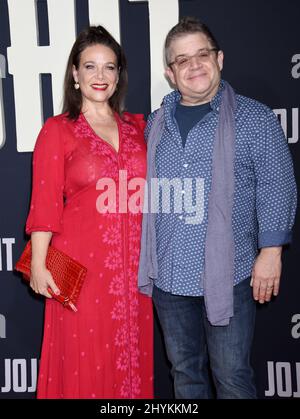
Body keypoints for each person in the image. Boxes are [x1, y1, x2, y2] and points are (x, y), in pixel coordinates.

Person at [138, 17, 297, 399]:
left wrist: (271, 252)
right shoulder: (155, 123)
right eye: (182, 60)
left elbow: (278, 184)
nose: (194, 65)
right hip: (170, 278)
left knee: (232, 378)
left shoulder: (254, 118)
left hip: (231, 273)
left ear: (219, 58)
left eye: (202, 54)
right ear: (170, 72)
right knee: (185, 376)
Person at [25, 25, 153, 399]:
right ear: (75, 75)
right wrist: (38, 265)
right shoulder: (58, 131)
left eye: (109, 68)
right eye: (91, 66)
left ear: (119, 76)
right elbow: (45, 203)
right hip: (81, 272)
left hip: (136, 273)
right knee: (85, 365)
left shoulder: (138, 128)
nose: (101, 76)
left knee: (131, 362)